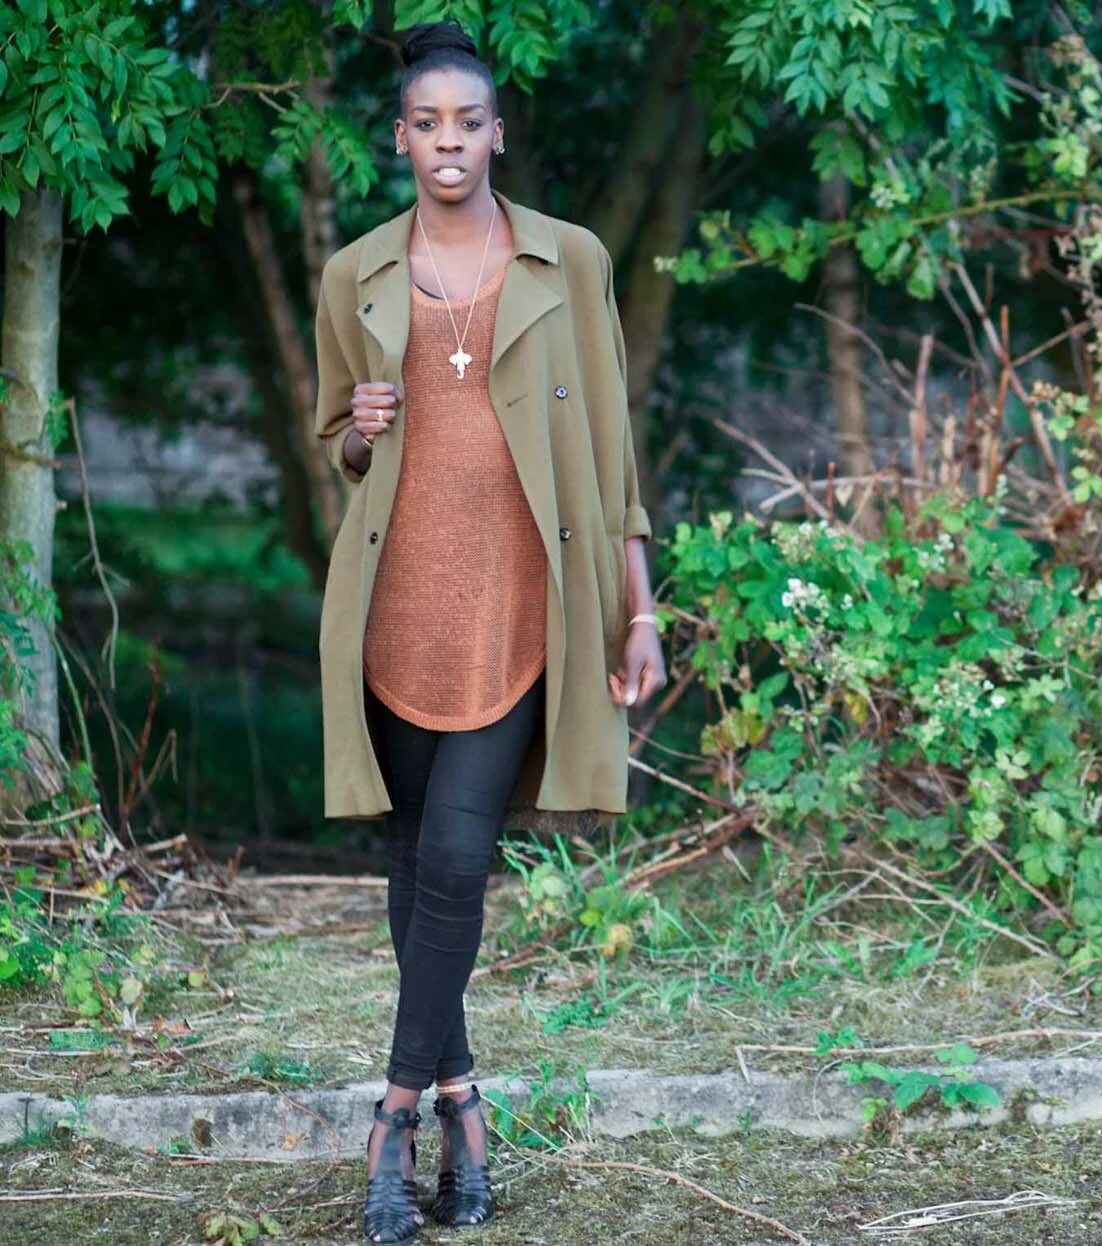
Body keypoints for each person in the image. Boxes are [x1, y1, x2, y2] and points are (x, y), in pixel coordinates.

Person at [309, 20, 669, 1242]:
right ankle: (465, 1104)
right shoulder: (353, 272)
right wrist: (360, 427)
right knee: (415, 861)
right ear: (400, 138)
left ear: (498, 133)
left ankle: (392, 1121)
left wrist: (638, 606)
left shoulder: (571, 260)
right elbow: (340, 442)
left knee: (460, 861)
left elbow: (612, 448)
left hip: (526, 603)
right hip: (396, 607)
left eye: (468, 121)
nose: (448, 141)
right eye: (427, 123)